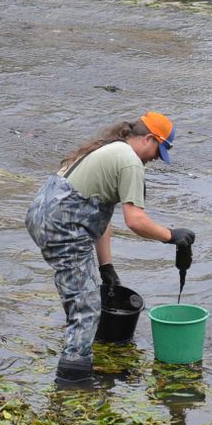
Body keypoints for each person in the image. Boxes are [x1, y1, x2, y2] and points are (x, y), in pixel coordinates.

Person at [25, 112, 196, 385]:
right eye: (157, 150)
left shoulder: (110, 149)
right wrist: (171, 236)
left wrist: (106, 267)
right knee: (87, 308)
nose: (155, 158)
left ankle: (77, 362)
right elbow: (135, 221)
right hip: (63, 226)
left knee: (83, 295)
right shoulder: (130, 162)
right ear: (149, 138)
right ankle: (73, 380)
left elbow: (99, 215)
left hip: (44, 216)